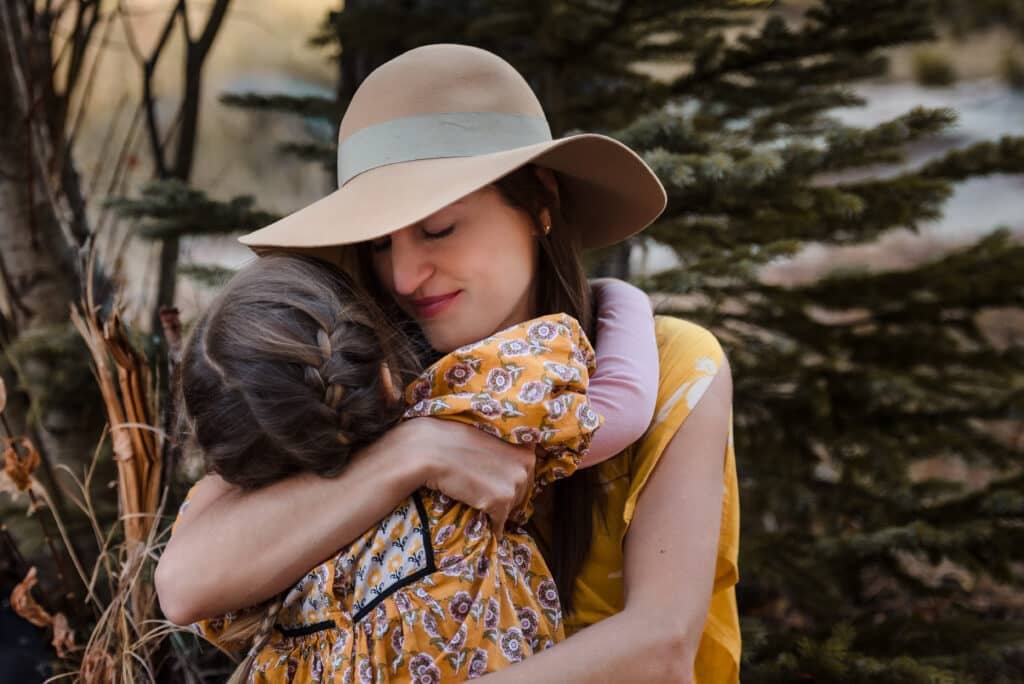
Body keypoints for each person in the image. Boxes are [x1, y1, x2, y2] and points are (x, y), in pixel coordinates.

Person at [157, 43, 739, 683]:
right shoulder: (363, 377)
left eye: (437, 230)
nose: (406, 276)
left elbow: (661, 648)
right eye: (380, 244)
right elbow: (185, 585)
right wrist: (413, 453)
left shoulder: (672, 366)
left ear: (540, 200)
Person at [174, 253, 660, 681]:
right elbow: (621, 410)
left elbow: (183, 588)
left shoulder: (259, 545)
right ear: (382, 377)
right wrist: (619, 297)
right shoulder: (468, 408)